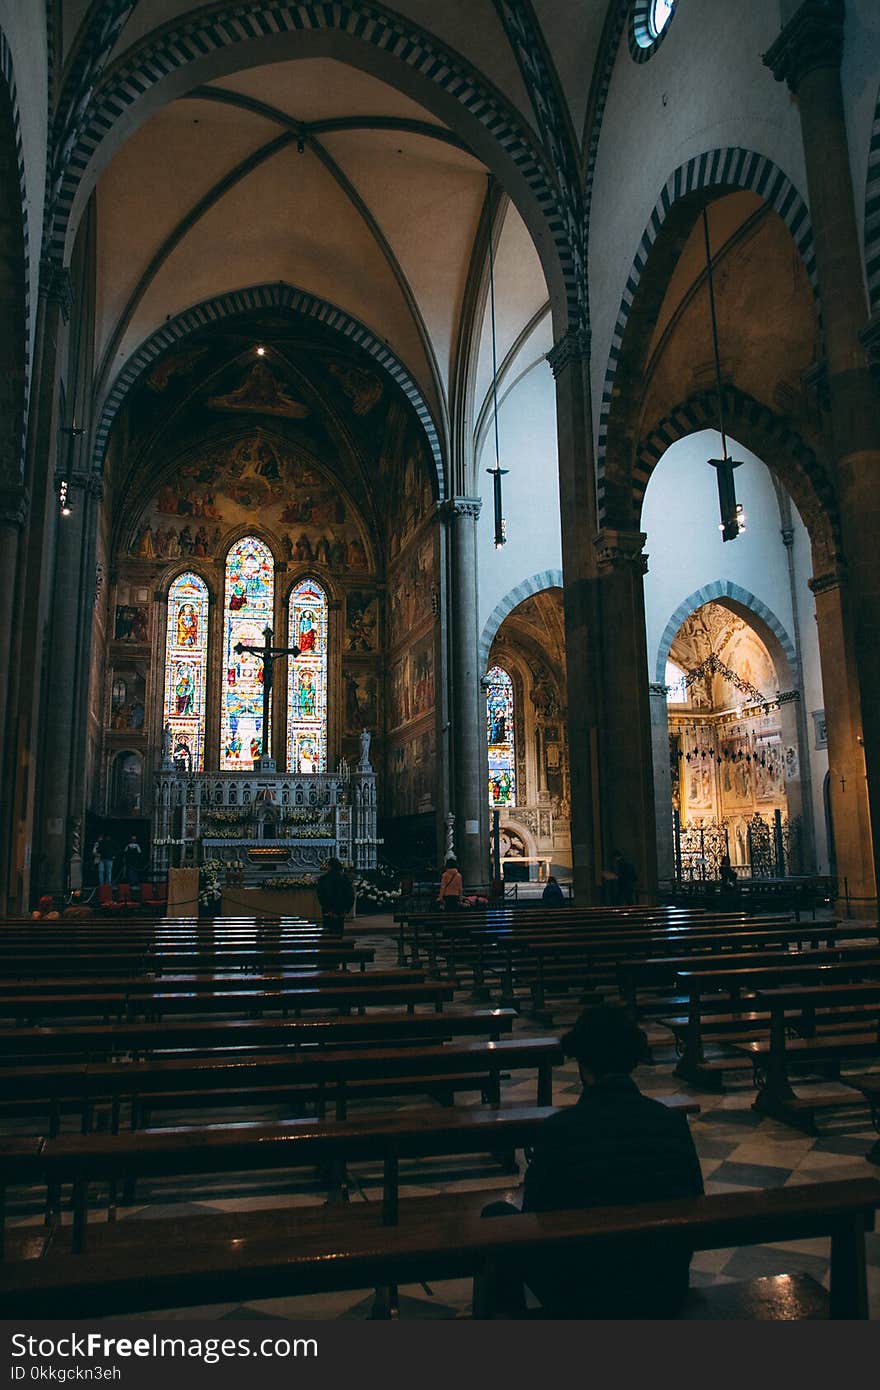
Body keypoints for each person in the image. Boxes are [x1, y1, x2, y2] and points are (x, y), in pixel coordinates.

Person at [481, 1004, 704, 1319]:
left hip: (582, 1290)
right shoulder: (671, 1122)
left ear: (582, 1064)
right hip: (663, 1283)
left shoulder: (561, 1129)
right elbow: (695, 1200)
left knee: (497, 1216)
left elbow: (534, 1217)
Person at [316, 857, 355, 937]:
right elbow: (350, 895)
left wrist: (327, 909)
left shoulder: (323, 879)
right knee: (339, 933)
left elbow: (321, 896)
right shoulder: (345, 878)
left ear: (329, 866)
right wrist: (346, 909)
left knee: (328, 933)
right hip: (340, 910)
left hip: (328, 911)